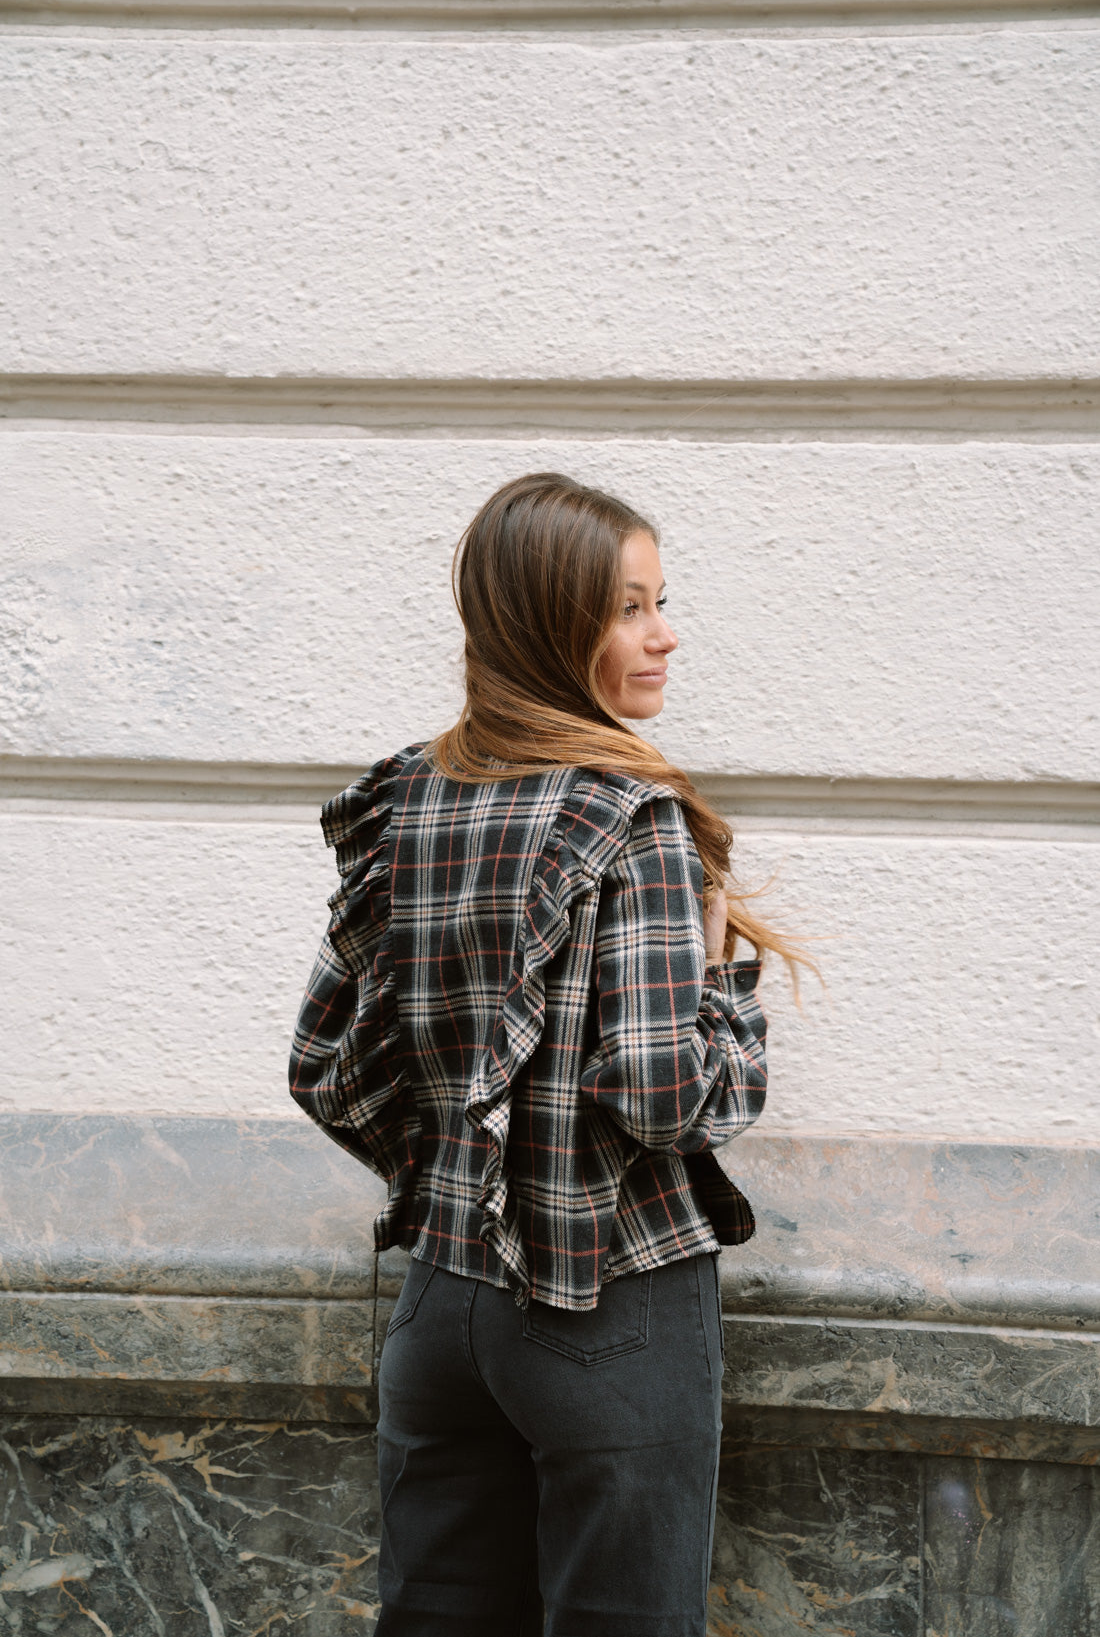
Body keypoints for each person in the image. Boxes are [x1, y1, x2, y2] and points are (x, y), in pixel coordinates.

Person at [289, 472, 807, 1637]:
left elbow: (324, 1065)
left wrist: (449, 1175)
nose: (663, 633)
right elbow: (667, 1094)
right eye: (626, 607)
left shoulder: (404, 797)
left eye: (660, 600)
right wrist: (725, 987)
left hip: (439, 1306)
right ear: (539, 617)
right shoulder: (633, 815)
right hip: (608, 1305)